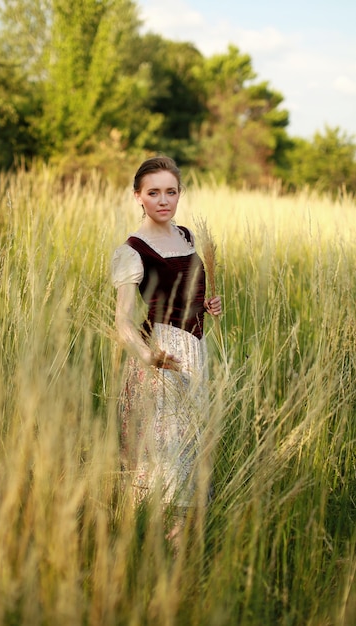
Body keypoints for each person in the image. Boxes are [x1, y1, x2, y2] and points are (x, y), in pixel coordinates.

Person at [111, 155, 222, 514]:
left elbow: (187, 294)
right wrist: (149, 357)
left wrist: (208, 304)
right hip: (164, 356)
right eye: (153, 192)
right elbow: (123, 322)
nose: (163, 200)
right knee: (167, 448)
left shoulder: (186, 235)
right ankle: (163, 534)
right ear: (137, 196)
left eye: (170, 192)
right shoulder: (132, 251)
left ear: (179, 194)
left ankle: (189, 533)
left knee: (191, 439)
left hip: (196, 351)